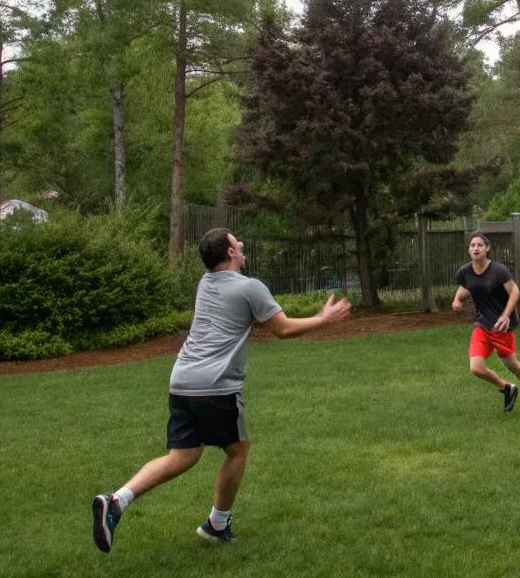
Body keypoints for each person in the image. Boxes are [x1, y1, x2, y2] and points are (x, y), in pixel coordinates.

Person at [91, 228, 351, 552]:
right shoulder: (250, 287)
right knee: (238, 451)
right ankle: (217, 524)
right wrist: (323, 318)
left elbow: (248, 317)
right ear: (229, 252)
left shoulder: (205, 283)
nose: (241, 244)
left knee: (184, 455)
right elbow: (282, 329)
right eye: (235, 242)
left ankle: (116, 501)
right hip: (216, 385)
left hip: (182, 380)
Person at [453, 232, 520, 414]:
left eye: (480, 245)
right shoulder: (464, 272)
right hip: (482, 325)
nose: (476, 248)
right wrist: (457, 300)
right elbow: (465, 287)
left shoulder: (498, 270)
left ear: (487, 248)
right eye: (472, 245)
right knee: (476, 368)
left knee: (512, 365)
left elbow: (515, 292)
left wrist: (505, 316)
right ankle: (507, 387)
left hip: (501, 326)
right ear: (468, 249)